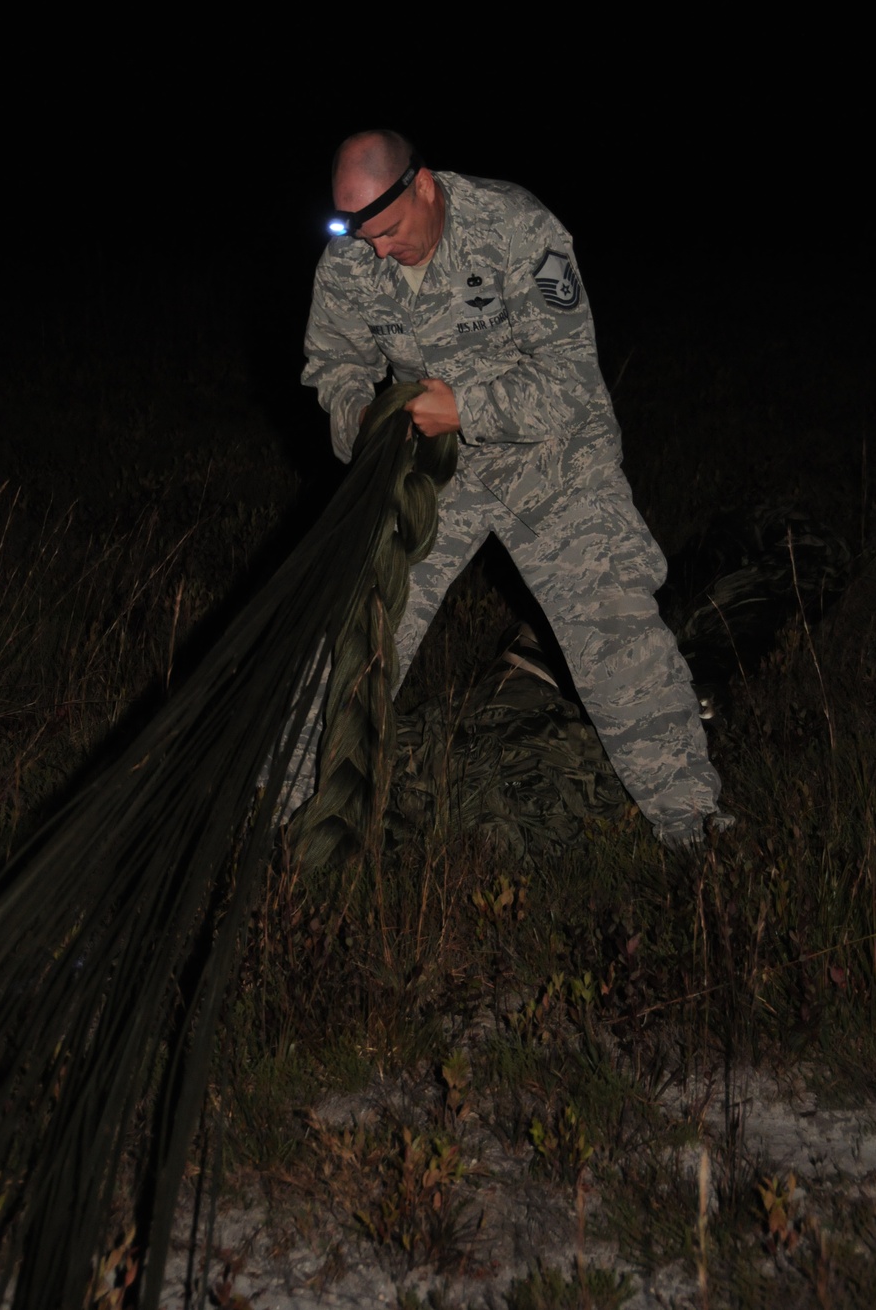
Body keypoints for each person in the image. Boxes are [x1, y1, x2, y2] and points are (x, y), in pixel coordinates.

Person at [299, 130, 732, 847]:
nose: (379, 250)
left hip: (554, 461)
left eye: (391, 231)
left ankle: (695, 827)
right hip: (436, 471)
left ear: (425, 185)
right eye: (364, 237)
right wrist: (368, 427)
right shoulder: (349, 260)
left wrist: (463, 406)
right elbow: (334, 366)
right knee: (355, 627)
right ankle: (281, 804)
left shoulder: (516, 227)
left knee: (618, 633)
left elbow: (571, 381)